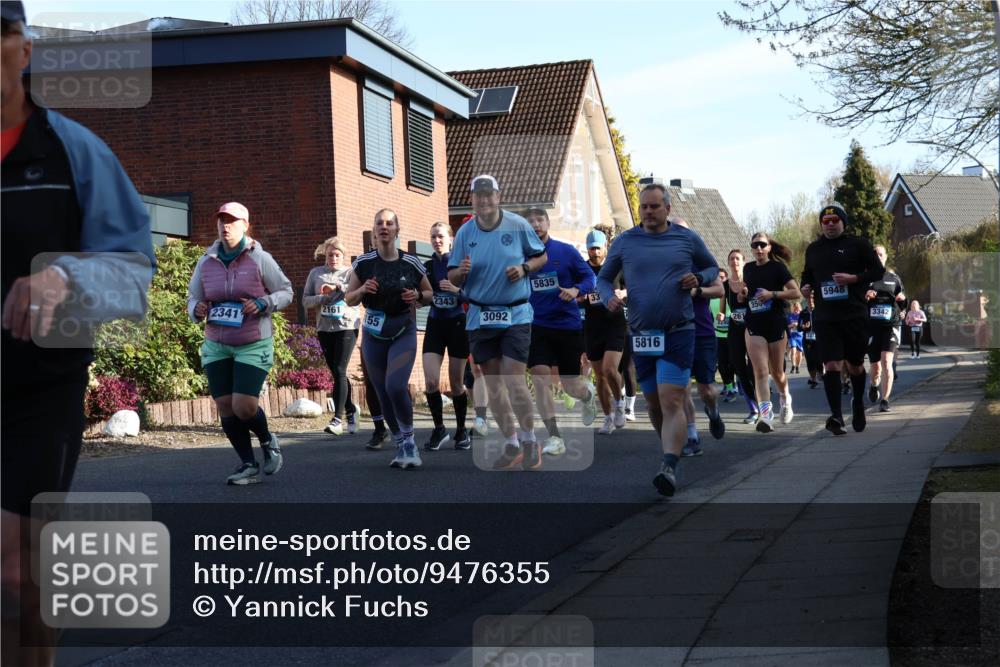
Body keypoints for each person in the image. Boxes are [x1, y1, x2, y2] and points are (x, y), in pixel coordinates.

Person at [2, 3, 155, 661]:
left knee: (15, 568)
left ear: (22, 49)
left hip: (36, 391)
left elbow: (135, 275)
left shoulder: (75, 151)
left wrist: (64, 276)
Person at [597, 184, 719, 497]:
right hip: (642, 334)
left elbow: (709, 268)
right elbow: (603, 277)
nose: (649, 212)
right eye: (644, 207)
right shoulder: (625, 242)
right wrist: (609, 296)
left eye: (654, 206)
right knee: (653, 403)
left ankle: (669, 466)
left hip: (679, 330)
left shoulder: (685, 237)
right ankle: (669, 448)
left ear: (666, 208)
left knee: (671, 399)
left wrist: (700, 279)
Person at [447, 176, 547, 470]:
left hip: (515, 313)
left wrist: (524, 267)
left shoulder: (516, 224)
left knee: (514, 380)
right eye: (479, 196)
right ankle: (511, 443)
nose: (484, 200)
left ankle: (530, 441)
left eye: (489, 195)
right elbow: (451, 276)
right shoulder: (465, 232)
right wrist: (460, 273)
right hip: (480, 315)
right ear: (473, 199)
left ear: (498, 197)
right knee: (492, 386)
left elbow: (541, 256)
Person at [189, 203, 293, 484]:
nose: (226, 226)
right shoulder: (206, 260)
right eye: (222, 220)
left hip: (253, 342)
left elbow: (286, 291)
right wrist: (196, 309)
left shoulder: (260, 258)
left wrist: (263, 303)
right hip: (216, 343)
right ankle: (247, 463)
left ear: (246, 225)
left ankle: (268, 440)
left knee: (244, 406)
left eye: (232, 221)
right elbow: (193, 298)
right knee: (224, 405)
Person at [345, 209, 433, 469]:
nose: (384, 227)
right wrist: (362, 289)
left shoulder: (411, 262)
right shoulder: (363, 263)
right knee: (382, 391)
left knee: (396, 385)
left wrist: (417, 296)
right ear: (374, 229)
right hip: (373, 333)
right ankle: (400, 442)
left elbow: (429, 293)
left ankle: (409, 439)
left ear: (397, 229)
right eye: (379, 223)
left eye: (389, 223)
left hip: (402, 330)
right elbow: (349, 298)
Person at [800, 204, 885, 435]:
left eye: (834, 220)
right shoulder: (814, 249)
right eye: (825, 221)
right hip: (826, 317)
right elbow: (807, 275)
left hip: (854, 314)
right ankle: (836, 416)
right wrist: (805, 288)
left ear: (843, 223)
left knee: (855, 365)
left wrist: (853, 278)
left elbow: (878, 272)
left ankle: (858, 403)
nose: (829, 224)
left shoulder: (858, 245)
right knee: (831, 364)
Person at [523, 208, 597, 454]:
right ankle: (555, 437)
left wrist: (577, 290)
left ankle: (586, 395)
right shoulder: (521, 256)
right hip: (537, 326)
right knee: (540, 379)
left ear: (547, 223)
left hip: (567, 325)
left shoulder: (565, 251)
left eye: (539, 220)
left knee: (569, 387)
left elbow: (589, 278)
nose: (535, 225)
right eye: (530, 221)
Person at [737, 232, 801, 432]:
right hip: (754, 323)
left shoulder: (778, 268)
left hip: (775, 322)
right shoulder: (747, 269)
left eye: (762, 245)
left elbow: (796, 292)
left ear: (769, 247)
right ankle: (766, 415)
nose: (758, 249)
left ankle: (785, 398)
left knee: (777, 372)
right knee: (760, 371)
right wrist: (742, 294)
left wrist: (772, 294)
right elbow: (744, 297)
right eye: (755, 245)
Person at [673, 219, 725, 456]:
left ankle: (713, 412)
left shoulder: (700, 259)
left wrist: (697, 291)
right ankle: (692, 436)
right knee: (682, 387)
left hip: (702, 331)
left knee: (707, 389)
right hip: (675, 331)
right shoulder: (665, 260)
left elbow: (720, 290)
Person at [421, 222, 471, 451]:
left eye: (440, 236)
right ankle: (439, 428)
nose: (436, 240)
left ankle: (461, 431)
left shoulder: (460, 265)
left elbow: (475, 293)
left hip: (458, 323)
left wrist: (456, 291)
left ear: (450, 239)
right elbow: (422, 298)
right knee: (431, 381)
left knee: (457, 384)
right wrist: (419, 296)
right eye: (433, 236)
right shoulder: (426, 267)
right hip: (435, 324)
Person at [303, 237, 360, 436]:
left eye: (337, 255)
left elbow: (356, 293)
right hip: (325, 328)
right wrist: (322, 298)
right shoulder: (316, 273)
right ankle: (351, 410)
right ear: (325, 256)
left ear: (343, 256)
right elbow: (305, 301)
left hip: (347, 326)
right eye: (330, 255)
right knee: (337, 374)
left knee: (340, 368)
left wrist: (337, 288)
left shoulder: (351, 272)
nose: (333, 258)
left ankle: (337, 418)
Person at [580, 228, 630, 436]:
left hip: (615, 323)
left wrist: (623, 292)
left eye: (598, 248)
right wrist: (580, 299)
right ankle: (608, 417)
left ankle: (619, 403)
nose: (595, 252)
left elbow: (633, 287)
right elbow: (575, 294)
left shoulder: (616, 268)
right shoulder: (582, 270)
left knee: (610, 369)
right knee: (600, 376)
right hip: (592, 327)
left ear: (605, 248)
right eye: (591, 248)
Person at [865, 244, 906, 411]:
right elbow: (856, 303)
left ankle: (885, 400)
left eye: (881, 254)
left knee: (887, 361)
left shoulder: (894, 278)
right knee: (875, 368)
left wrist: (903, 307)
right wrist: (865, 296)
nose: (878, 257)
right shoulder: (865, 279)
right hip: (872, 327)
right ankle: (874, 385)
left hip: (891, 325)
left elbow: (903, 300)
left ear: (886, 257)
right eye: (875, 254)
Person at [724, 249, 760, 424]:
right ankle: (753, 409)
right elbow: (723, 308)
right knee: (739, 367)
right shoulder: (725, 285)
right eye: (731, 259)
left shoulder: (751, 281)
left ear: (744, 261)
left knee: (753, 370)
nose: (734, 261)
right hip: (735, 329)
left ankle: (762, 404)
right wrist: (721, 315)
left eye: (737, 259)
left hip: (752, 328)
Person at [711, 267, 738, 402]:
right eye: (717, 278)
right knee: (722, 365)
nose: (719, 280)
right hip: (718, 335)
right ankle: (730, 388)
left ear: (726, 279)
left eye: (722, 277)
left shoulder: (730, 295)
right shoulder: (711, 297)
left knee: (734, 362)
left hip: (732, 334)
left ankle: (738, 383)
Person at [800, 293, 822, 388]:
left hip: (819, 338)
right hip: (807, 339)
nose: (810, 302)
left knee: (818, 359)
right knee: (810, 360)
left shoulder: (819, 311)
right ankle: (813, 379)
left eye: (812, 300)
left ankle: (821, 373)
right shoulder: (803, 312)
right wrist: (803, 326)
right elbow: (798, 327)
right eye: (808, 300)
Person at [786, 302, 804, 373]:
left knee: (799, 353)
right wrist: (791, 325)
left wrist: (798, 324)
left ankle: (797, 367)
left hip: (800, 336)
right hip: (792, 336)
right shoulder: (789, 316)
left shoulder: (802, 316)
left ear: (799, 308)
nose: (795, 309)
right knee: (793, 350)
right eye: (794, 308)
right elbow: (786, 327)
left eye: (797, 308)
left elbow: (806, 325)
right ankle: (793, 365)